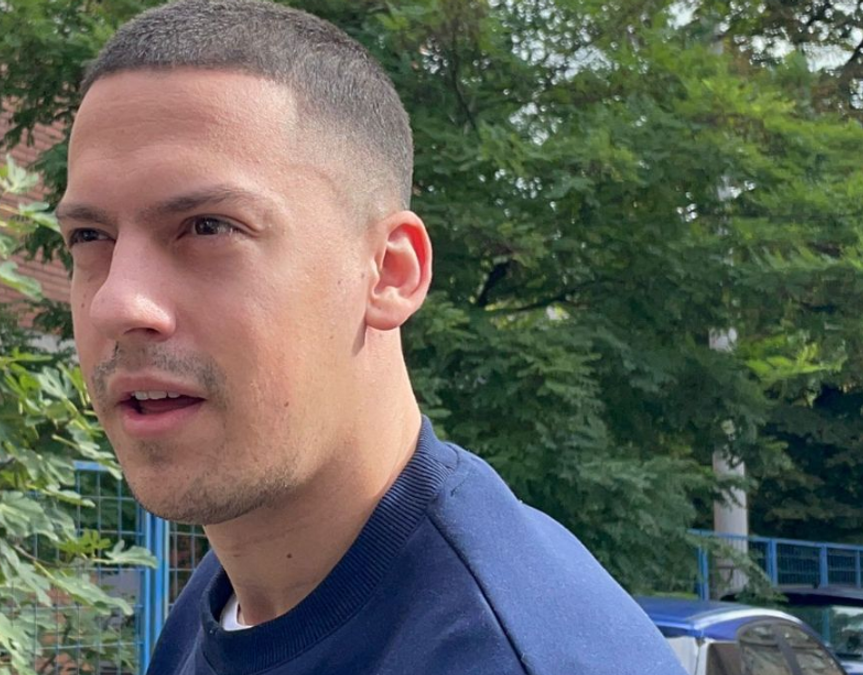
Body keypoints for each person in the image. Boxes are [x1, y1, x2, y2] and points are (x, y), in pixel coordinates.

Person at [58, 1, 686, 673]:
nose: (117, 302)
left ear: (389, 272)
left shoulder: (501, 653)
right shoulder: (233, 593)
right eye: (90, 237)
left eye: (208, 227)